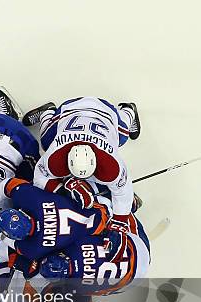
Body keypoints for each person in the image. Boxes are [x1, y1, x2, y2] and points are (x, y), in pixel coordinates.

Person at [22, 96, 141, 262]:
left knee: (122, 135)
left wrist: (119, 225)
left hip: (105, 113)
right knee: (46, 142)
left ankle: (128, 110)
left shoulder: (111, 165)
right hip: (70, 109)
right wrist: (64, 189)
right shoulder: (55, 157)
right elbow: (39, 177)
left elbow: (124, 190)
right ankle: (47, 112)